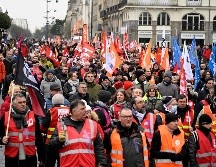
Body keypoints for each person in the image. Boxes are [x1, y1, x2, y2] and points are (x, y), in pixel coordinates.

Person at [49, 99, 107, 167]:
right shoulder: (61, 126)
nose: (85, 111)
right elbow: (51, 146)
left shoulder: (93, 124)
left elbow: (99, 147)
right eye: (82, 109)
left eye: (85, 108)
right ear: (74, 111)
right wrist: (58, 140)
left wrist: (102, 163)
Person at [0, 93, 45, 167]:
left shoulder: (33, 115)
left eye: (24, 102)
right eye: (20, 102)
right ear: (14, 104)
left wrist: (42, 157)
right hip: (12, 157)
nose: (23, 104)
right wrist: (2, 139)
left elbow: (38, 138)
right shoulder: (6, 117)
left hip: (30, 156)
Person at [41, 94, 70, 167]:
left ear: (53, 102)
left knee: (50, 162)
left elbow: (43, 126)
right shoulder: (69, 110)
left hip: (51, 140)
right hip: (66, 139)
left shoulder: (51, 111)